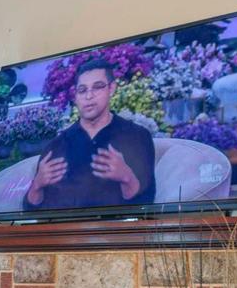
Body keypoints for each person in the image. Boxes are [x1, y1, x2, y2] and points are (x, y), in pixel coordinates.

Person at [24, 58, 157, 211]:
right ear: (76, 96)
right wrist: (37, 185)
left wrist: (127, 178)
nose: (89, 96)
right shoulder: (56, 146)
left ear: (111, 88)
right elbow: (30, 210)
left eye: (97, 87)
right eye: (82, 90)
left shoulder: (137, 137)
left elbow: (147, 203)